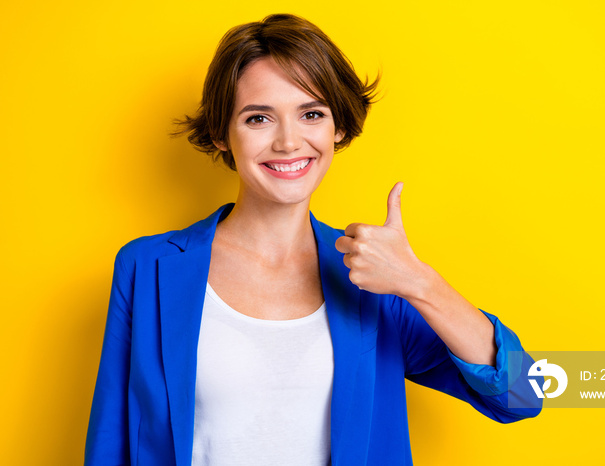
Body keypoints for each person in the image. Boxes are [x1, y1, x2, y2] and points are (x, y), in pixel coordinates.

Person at [85, 13, 542, 466]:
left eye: (311, 114)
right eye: (259, 118)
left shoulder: (375, 279)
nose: (288, 141)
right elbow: (111, 441)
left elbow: (523, 393)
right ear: (223, 135)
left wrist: (419, 283)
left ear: (337, 127)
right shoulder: (148, 269)